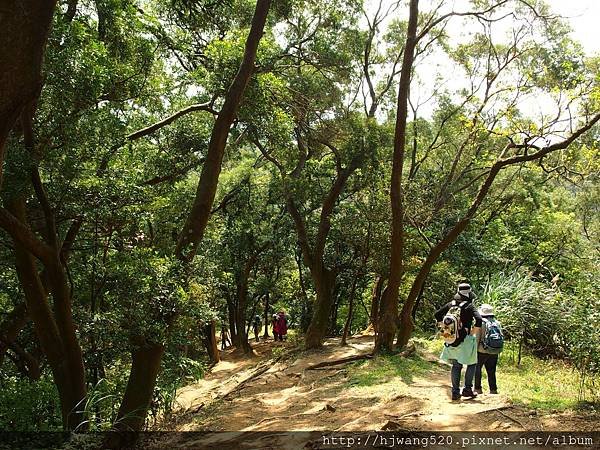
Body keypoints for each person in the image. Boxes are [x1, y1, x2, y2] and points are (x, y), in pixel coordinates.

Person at [435, 282, 482, 401]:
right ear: (469, 294)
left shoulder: (451, 304)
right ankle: (467, 389)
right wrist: (473, 332)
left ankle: (455, 393)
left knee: (456, 366)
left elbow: (437, 314)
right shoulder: (469, 306)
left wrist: (445, 328)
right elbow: (479, 319)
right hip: (465, 339)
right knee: (471, 363)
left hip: (452, 339)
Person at [475, 304, 503, 395]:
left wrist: (474, 350)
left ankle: (478, 389)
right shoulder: (497, 323)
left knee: (477, 369)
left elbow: (477, 338)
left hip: (482, 350)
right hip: (494, 350)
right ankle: (493, 390)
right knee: (491, 370)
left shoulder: (481, 323)